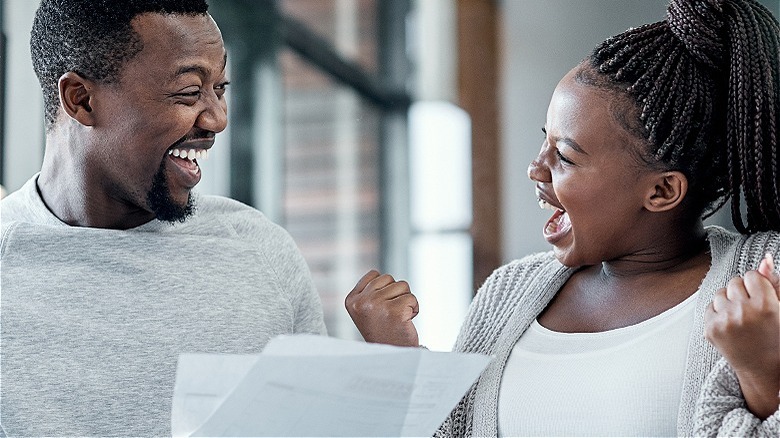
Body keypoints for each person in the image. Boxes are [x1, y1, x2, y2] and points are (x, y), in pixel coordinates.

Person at [346, 0, 780, 436]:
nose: (535, 169)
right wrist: (397, 357)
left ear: (661, 191)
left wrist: (764, 373)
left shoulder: (765, 286)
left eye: (566, 157)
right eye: (544, 142)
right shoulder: (507, 294)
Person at [0, 0, 326, 435]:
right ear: (80, 99)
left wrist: (393, 359)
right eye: (189, 93)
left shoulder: (260, 250)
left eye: (221, 88)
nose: (218, 119)